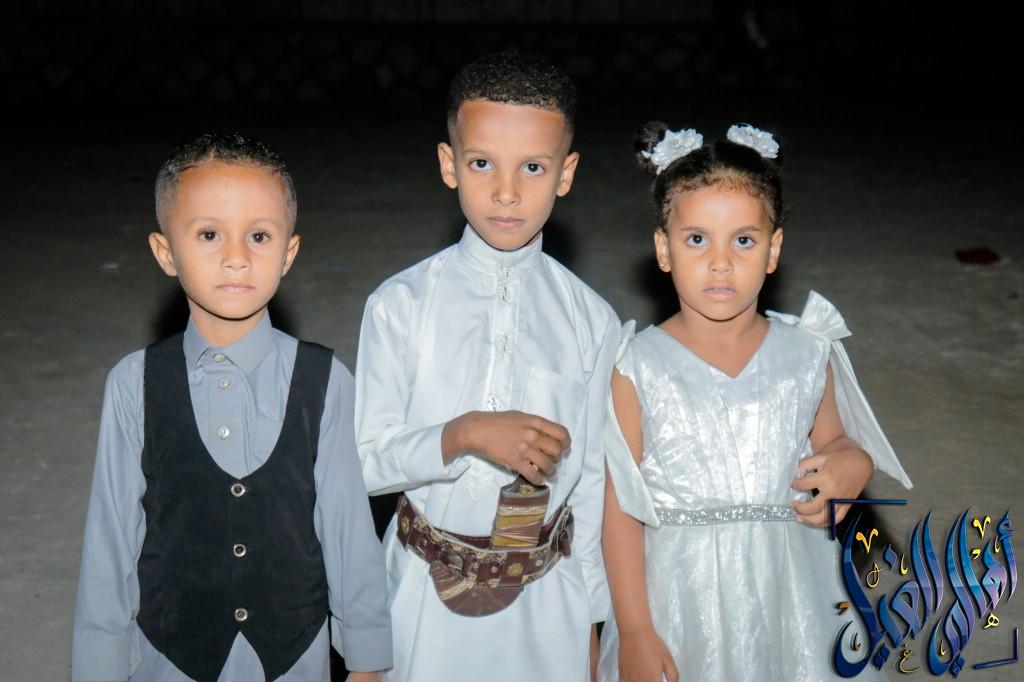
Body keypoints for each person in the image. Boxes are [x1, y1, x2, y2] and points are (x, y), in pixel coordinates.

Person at [598, 123, 913, 682]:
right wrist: (637, 630)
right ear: (663, 249)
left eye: (743, 240)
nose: (720, 262)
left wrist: (853, 461)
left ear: (774, 249)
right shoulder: (637, 366)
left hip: (793, 588)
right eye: (697, 239)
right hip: (680, 594)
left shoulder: (806, 352)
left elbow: (836, 440)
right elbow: (619, 508)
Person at [72, 132, 391, 682]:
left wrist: (367, 658)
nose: (237, 258)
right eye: (209, 234)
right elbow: (110, 543)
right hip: (169, 657)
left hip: (293, 656)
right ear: (166, 253)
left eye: (259, 236)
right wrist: (98, 668)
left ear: (288, 253)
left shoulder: (325, 380)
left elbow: (348, 532)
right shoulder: (133, 383)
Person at [355, 52, 619, 681]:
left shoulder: (591, 319)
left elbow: (591, 485)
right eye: (482, 164)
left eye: (533, 167)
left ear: (566, 174)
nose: (507, 192)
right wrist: (463, 433)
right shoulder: (400, 305)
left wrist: (592, 621)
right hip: (421, 597)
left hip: (547, 605)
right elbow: (363, 463)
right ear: (449, 164)